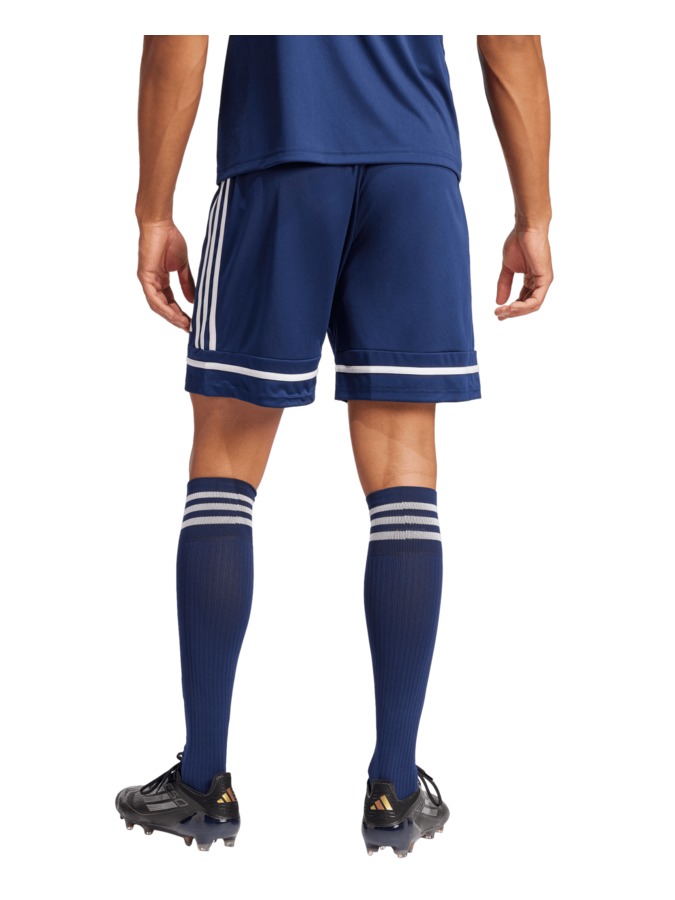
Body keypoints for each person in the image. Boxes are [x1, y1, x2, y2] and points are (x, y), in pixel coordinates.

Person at [115, 34, 553, 857]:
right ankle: (394, 785)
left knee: (225, 461)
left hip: (280, 159)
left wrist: (153, 211)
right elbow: (509, 41)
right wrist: (533, 216)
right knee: (404, 471)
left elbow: (178, 37)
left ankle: (203, 781)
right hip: (416, 172)